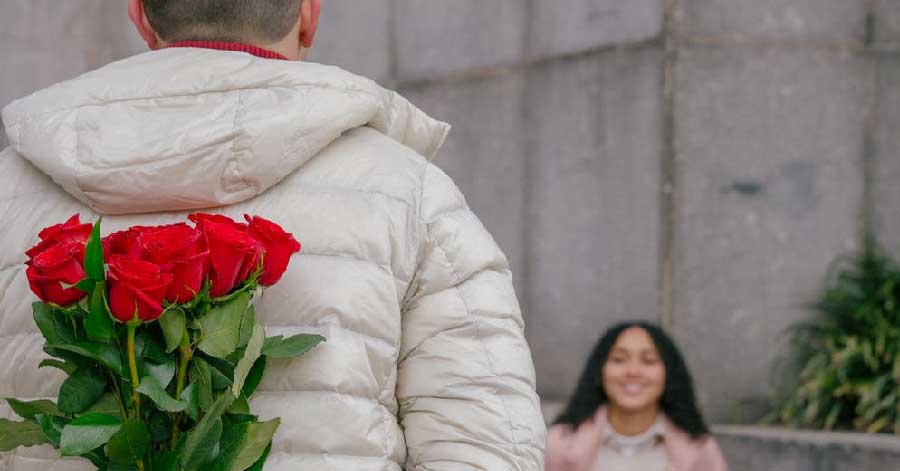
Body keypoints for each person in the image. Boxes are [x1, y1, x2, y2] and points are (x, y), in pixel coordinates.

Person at [0, 1, 546, 469]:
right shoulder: (411, 196)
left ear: (139, 13)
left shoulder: (8, 192)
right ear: (309, 14)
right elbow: (487, 446)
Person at [545, 322, 727, 471]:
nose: (633, 371)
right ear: (600, 370)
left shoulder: (699, 447)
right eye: (619, 359)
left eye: (649, 360)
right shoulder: (558, 444)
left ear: (669, 372)